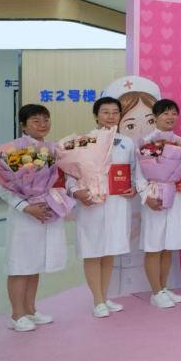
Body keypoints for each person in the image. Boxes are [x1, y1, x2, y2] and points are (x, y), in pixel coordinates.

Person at [0, 104, 67, 332]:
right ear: (23, 125)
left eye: (46, 120)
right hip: (24, 217)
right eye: (36, 121)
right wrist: (26, 207)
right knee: (20, 266)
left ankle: (30, 310)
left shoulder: (51, 149)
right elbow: (4, 187)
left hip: (44, 212)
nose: (42, 124)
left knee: (34, 264)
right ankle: (16, 315)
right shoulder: (14, 151)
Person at [66, 97, 137, 318]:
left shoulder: (127, 142)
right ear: (96, 115)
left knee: (109, 252)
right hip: (92, 204)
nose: (111, 116)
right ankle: (97, 300)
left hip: (117, 204)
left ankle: (105, 297)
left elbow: (134, 171)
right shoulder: (84, 142)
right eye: (105, 112)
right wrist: (76, 191)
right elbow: (70, 175)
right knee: (92, 251)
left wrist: (133, 187)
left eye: (115, 112)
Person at [136, 99, 181, 309]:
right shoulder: (146, 142)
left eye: (174, 113)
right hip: (155, 196)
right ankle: (155, 292)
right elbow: (138, 174)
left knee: (168, 246)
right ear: (155, 117)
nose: (170, 117)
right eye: (165, 113)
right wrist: (146, 196)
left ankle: (163, 287)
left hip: (175, 197)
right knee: (154, 246)